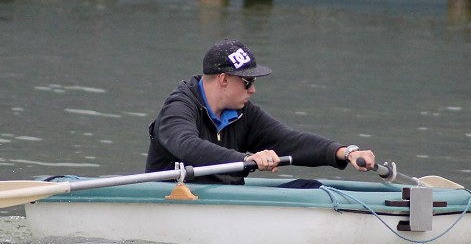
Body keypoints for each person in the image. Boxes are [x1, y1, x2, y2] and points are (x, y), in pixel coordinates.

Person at [145, 39, 376, 185]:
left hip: (223, 207)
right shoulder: (178, 108)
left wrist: (344, 152)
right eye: (248, 82)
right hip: (175, 200)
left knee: (311, 187)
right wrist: (246, 159)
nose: (253, 90)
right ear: (224, 80)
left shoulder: (244, 113)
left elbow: (287, 140)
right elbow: (187, 145)